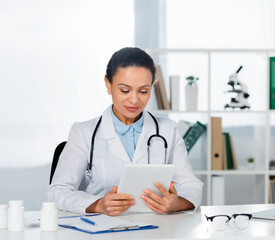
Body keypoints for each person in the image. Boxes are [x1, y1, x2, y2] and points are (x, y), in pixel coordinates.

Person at [47, 47, 203, 216]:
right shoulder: (83, 132)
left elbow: (190, 185)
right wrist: (99, 205)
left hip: (157, 228)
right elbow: (57, 192)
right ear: (108, 84)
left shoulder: (168, 130)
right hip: (104, 228)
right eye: (125, 90)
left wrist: (177, 203)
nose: (134, 100)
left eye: (143, 91)